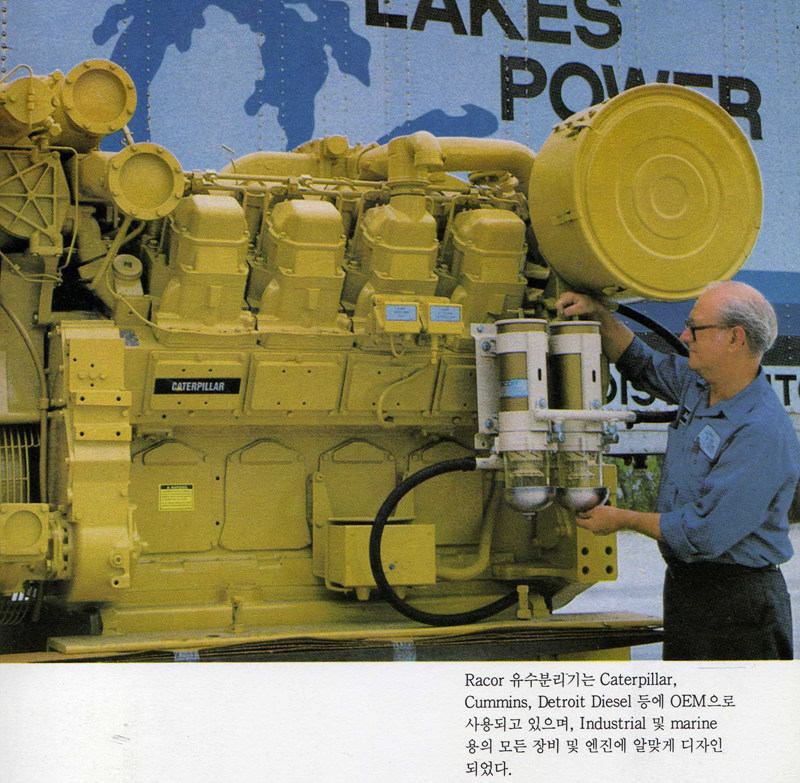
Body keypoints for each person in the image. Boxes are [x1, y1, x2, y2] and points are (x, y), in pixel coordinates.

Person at [555, 281, 799, 660]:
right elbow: (640, 363)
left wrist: (621, 519)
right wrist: (599, 314)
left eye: (695, 329)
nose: (684, 336)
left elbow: (703, 534)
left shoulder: (761, 429)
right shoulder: (698, 385)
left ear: (734, 338)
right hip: (688, 591)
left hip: (740, 605)